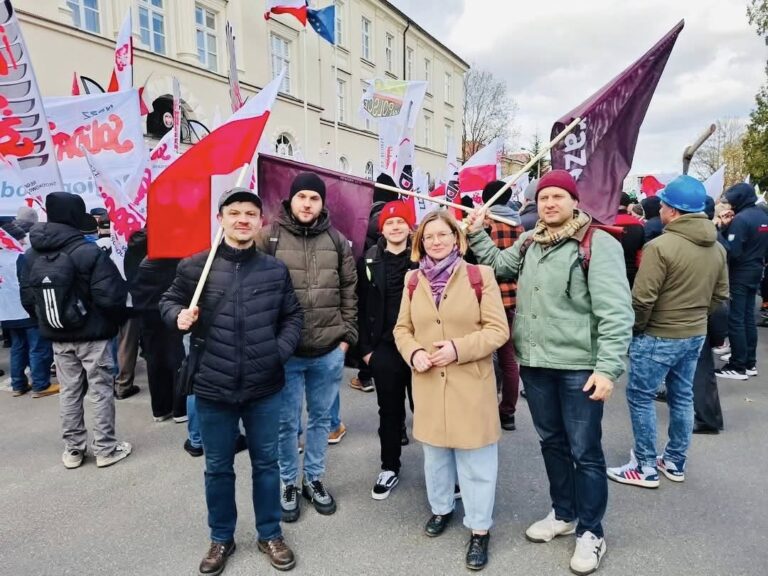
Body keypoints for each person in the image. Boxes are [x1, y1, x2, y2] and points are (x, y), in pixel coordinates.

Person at [466, 170, 633, 576]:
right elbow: (496, 264)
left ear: (574, 202)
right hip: (536, 365)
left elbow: (616, 312)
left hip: (579, 367)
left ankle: (591, 531)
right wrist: (475, 233)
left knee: (585, 452)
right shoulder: (529, 240)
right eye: (543, 198)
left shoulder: (598, 243)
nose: (550, 203)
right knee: (552, 443)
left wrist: (608, 368)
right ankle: (563, 513)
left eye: (558, 196)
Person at [160, 187, 303, 575]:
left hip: (264, 386)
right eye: (234, 212)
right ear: (220, 218)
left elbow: (293, 318)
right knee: (218, 468)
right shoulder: (195, 266)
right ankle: (221, 538)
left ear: (261, 222)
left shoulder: (274, 270)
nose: (243, 219)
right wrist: (177, 315)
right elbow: (168, 300)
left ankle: (270, 533)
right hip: (213, 386)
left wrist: (277, 352)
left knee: (266, 464)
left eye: (250, 214)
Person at [394, 210, 508, 571]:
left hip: (469, 384)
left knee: (476, 462)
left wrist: (458, 349)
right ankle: (441, 509)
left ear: (457, 239)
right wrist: (413, 353)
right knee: (436, 459)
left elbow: (497, 331)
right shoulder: (413, 280)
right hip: (428, 384)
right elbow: (402, 329)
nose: (436, 241)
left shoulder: (480, 276)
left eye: (443, 234)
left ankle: (479, 528)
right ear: (420, 243)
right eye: (429, 237)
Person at [608, 176, 728, 488]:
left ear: (673, 211)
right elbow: (720, 296)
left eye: (663, 204)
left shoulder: (660, 246)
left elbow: (642, 299)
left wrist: (637, 329)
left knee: (640, 396)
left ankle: (645, 466)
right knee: (682, 395)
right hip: (694, 333)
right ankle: (674, 461)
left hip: (658, 334)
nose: (660, 208)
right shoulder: (717, 248)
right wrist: (696, 316)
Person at [256, 172, 357, 522]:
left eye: (314, 199)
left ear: (322, 203)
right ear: (291, 199)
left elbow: (349, 291)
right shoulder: (267, 237)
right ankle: (288, 482)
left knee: (320, 421)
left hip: (328, 351)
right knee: (286, 424)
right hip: (285, 354)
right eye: (303, 197)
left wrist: (347, 339)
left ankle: (313, 479)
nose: (308, 204)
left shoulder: (338, 241)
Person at [19, 192, 131, 469]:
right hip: (94, 334)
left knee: (69, 391)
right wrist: (112, 322)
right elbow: (110, 297)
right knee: (100, 390)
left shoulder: (31, 254)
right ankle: (105, 448)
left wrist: (48, 321)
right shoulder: (88, 250)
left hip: (57, 335)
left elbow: (28, 298)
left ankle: (73, 450)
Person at [358, 201, 417, 500]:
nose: (395, 227)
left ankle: (442, 470)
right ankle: (389, 466)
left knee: (429, 410)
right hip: (385, 349)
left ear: (410, 226)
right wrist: (367, 351)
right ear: (381, 228)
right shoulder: (369, 260)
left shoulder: (423, 259)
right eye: (389, 223)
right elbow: (360, 304)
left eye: (401, 222)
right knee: (389, 411)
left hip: (421, 347)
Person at [350, 173, 401, 393]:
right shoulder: (396, 220)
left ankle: (365, 376)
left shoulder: (364, 218)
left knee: (369, 313)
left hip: (369, 275)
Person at [129, 228, 186, 423]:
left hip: (145, 311)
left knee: (154, 360)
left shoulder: (133, 247)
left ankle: (160, 409)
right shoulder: (171, 247)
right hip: (171, 309)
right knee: (177, 359)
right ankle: (179, 409)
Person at [481, 180, 524, 431]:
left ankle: (485, 406)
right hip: (512, 297)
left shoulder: (485, 224)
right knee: (508, 358)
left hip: (486, 296)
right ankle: (508, 411)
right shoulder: (519, 224)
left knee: (484, 354)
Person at [715, 183, 768, 380]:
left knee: (736, 319)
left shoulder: (741, 220)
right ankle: (749, 362)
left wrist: (720, 232)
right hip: (756, 270)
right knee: (747, 318)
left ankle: (738, 365)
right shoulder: (763, 216)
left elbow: (733, 251)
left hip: (740, 273)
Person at [1, 220, 55, 398]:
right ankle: (40, 384)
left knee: (17, 347)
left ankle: (18, 384)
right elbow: (28, 285)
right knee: (38, 347)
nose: (24, 242)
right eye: (21, 239)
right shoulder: (19, 257)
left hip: (7, 312)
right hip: (26, 310)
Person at [614, 192, 645, 288]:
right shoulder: (639, 225)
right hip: (631, 274)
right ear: (628, 206)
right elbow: (640, 254)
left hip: (609, 273)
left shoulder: (604, 223)